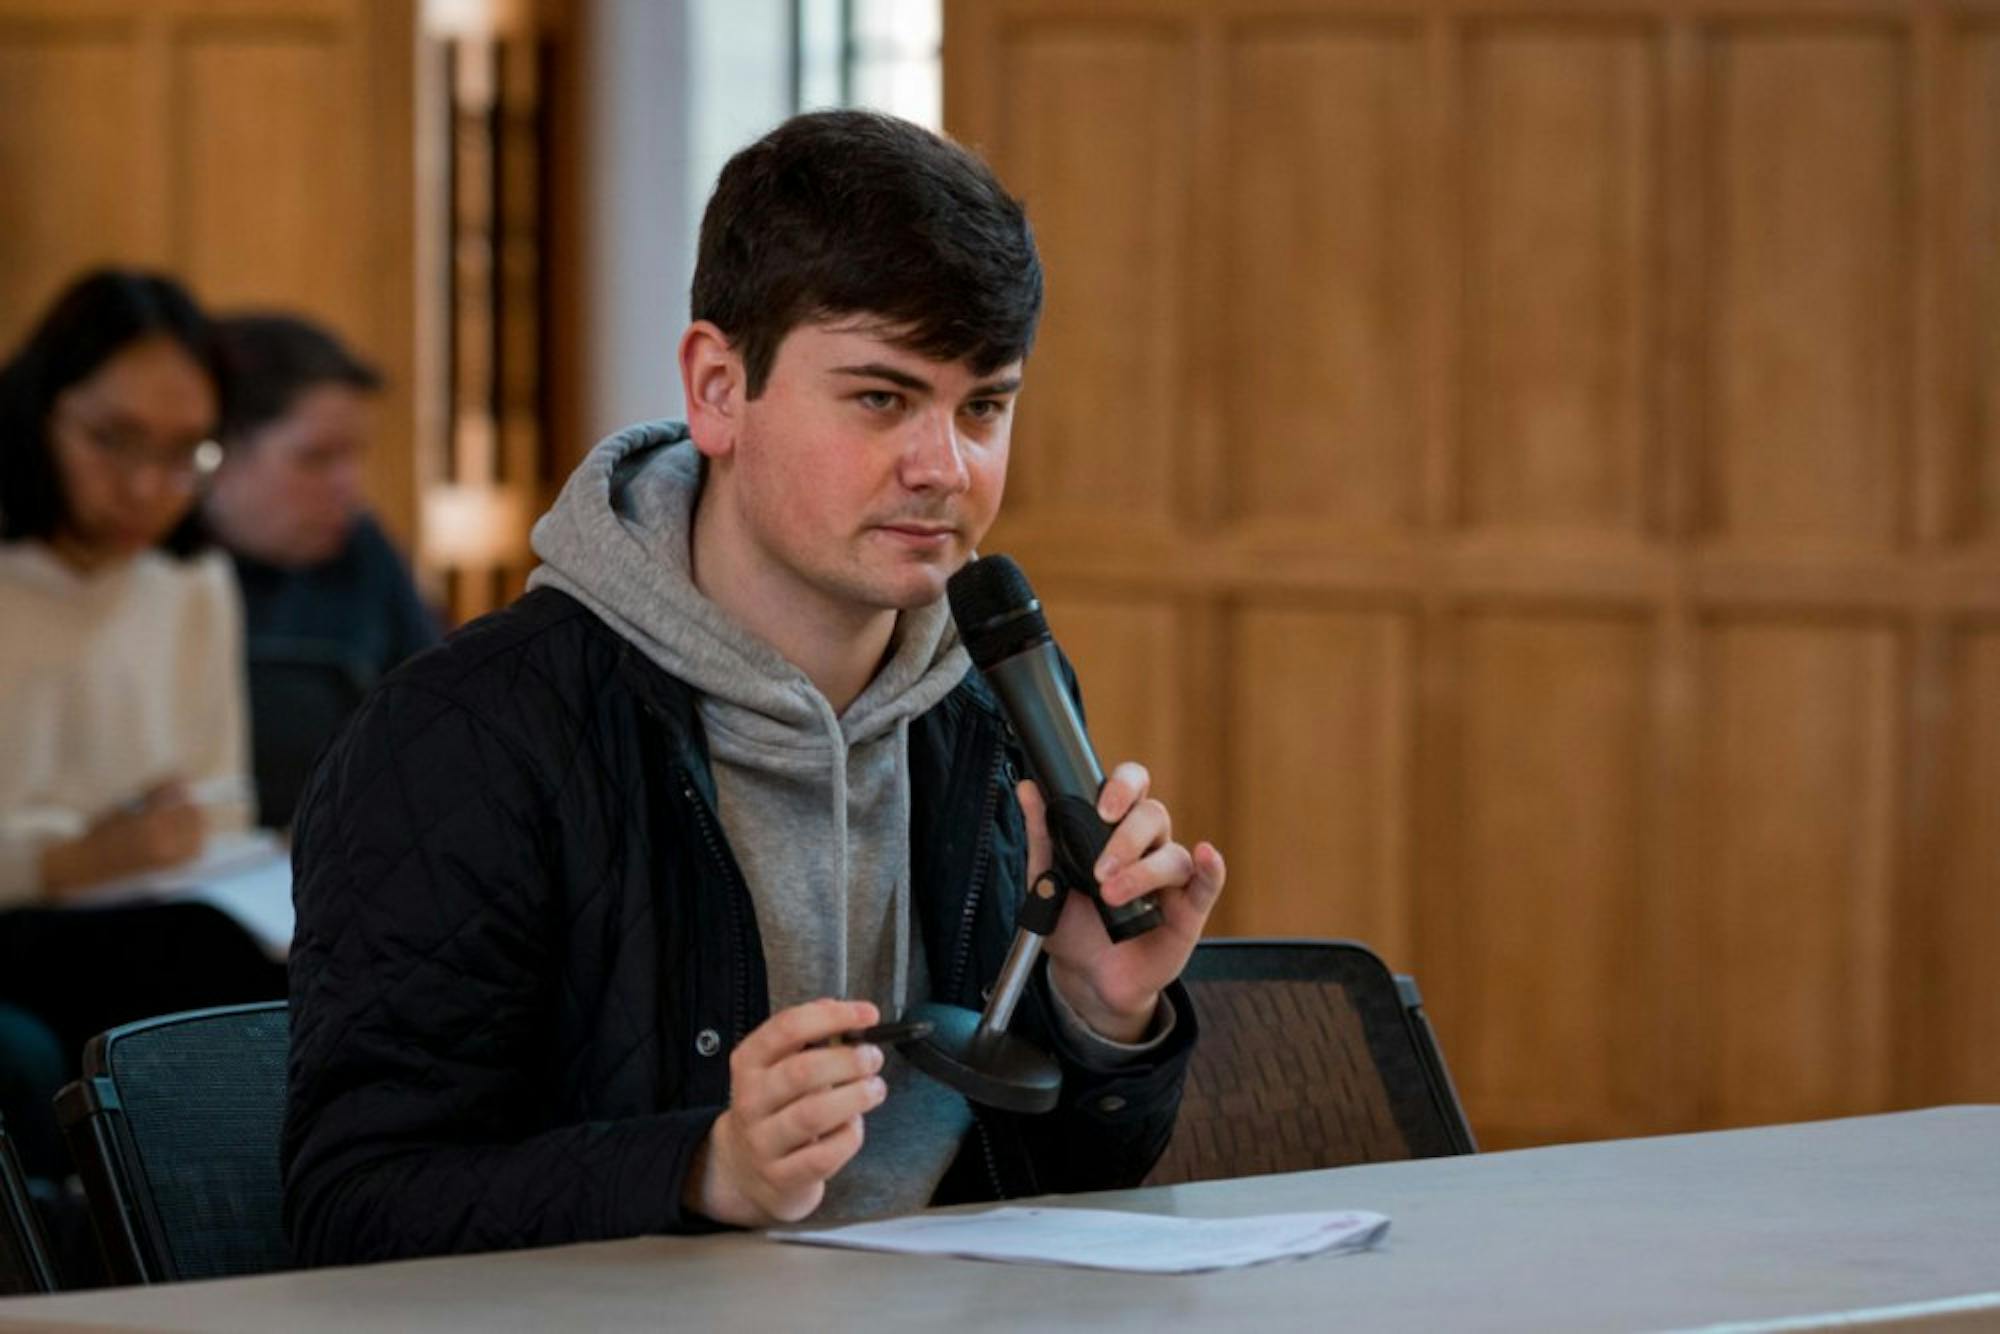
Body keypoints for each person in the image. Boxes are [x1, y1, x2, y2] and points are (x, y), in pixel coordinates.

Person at [282, 110, 1227, 1265]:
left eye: (983, 404)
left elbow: (1040, 1187)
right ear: (718, 388)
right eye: (881, 399)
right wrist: (699, 1167)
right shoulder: (459, 738)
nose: (945, 468)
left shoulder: (999, 699)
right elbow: (351, 1206)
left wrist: (1097, 1015)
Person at [0, 270, 287, 1196]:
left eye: (184, 454)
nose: (143, 486)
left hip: (145, 909)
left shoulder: (192, 582)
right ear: (41, 408)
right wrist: (65, 858)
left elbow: (220, 799)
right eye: (112, 440)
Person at [202, 314, 438, 827]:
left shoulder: (362, 549)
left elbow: (438, 727)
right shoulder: (160, 571)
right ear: (216, 454)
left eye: (353, 456)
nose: (348, 488)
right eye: (315, 459)